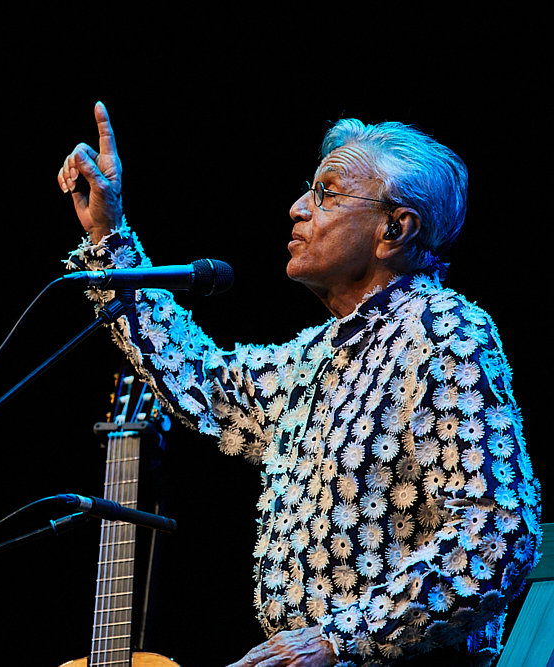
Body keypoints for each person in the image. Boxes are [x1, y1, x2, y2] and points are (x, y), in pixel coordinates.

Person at [56, 103, 541, 666]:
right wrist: (107, 235)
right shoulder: (313, 357)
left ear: (394, 229)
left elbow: (499, 537)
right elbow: (201, 384)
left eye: (327, 193)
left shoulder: (439, 331)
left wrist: (339, 640)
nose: (298, 208)